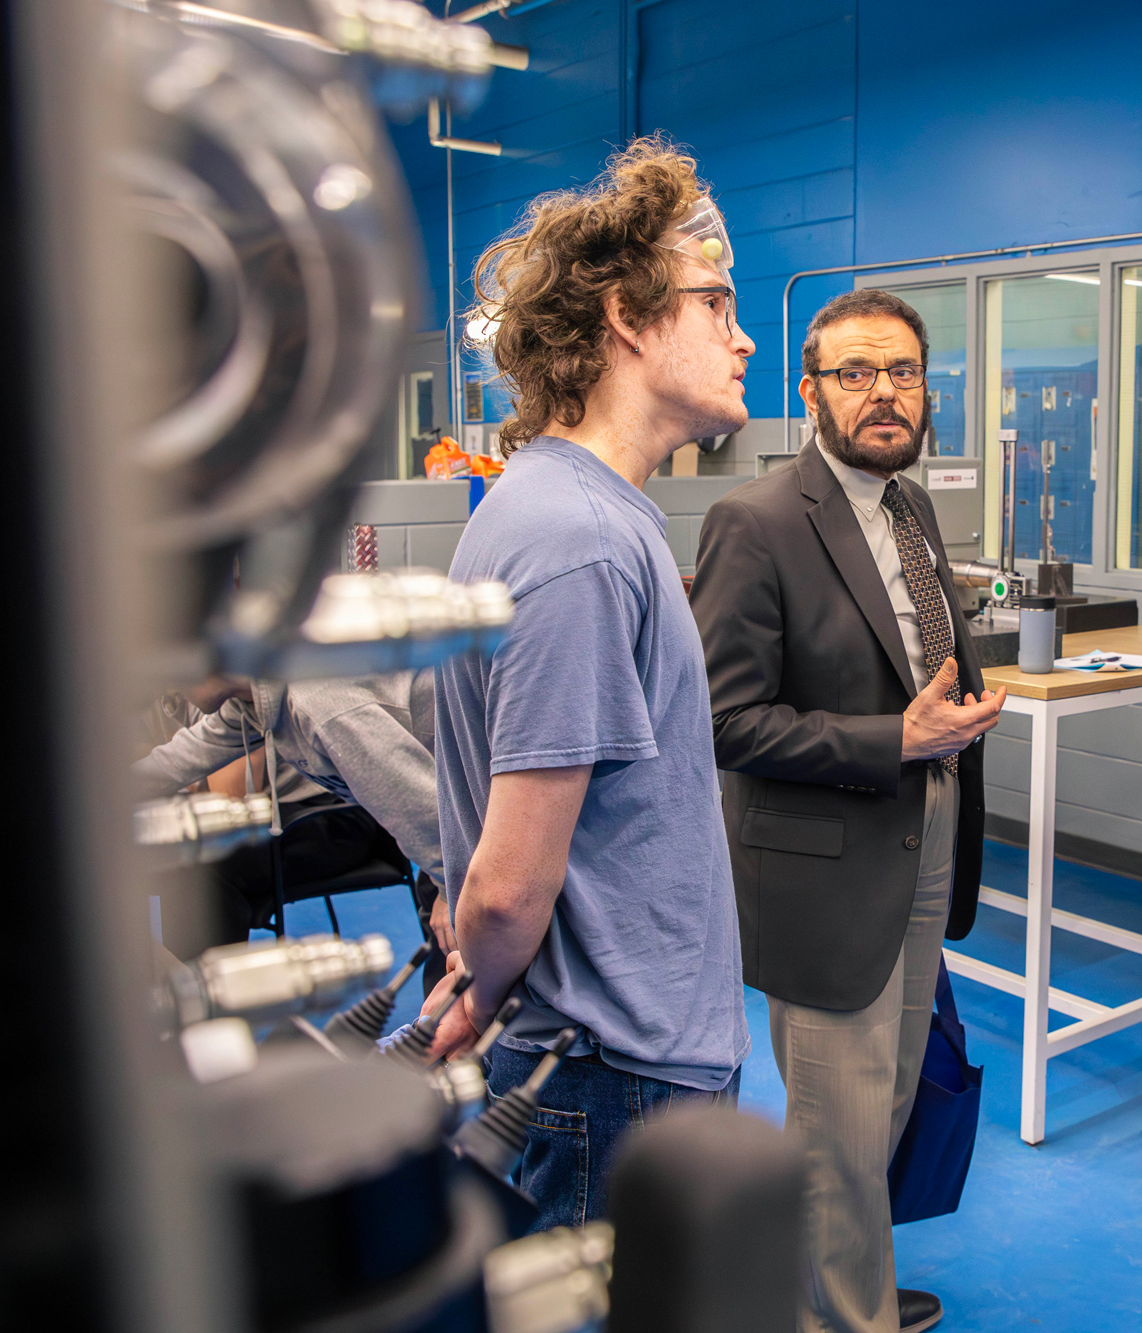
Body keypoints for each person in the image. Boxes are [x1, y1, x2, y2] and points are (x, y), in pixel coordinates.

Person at [422, 136, 754, 1233]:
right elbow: (510, 886)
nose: (743, 335)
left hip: (613, 1049)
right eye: (714, 302)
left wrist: (481, 964)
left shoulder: (574, 514)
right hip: (618, 1070)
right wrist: (482, 972)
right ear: (626, 315)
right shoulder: (578, 540)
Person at [689, 289, 1005, 1333]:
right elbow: (724, 721)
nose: (884, 395)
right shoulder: (757, 521)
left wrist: (950, 718)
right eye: (856, 373)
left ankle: (838, 1278)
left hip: (925, 839)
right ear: (809, 390)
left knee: (885, 1107)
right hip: (827, 869)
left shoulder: (908, 509)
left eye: (903, 374)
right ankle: (840, 1313)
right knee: (835, 1128)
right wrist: (896, 742)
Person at [134, 673, 450, 962]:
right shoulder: (253, 706)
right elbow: (177, 759)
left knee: (463, 948)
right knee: (450, 964)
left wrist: (450, 889)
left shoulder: (320, 705)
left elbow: (420, 807)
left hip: (448, 824)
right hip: (444, 829)